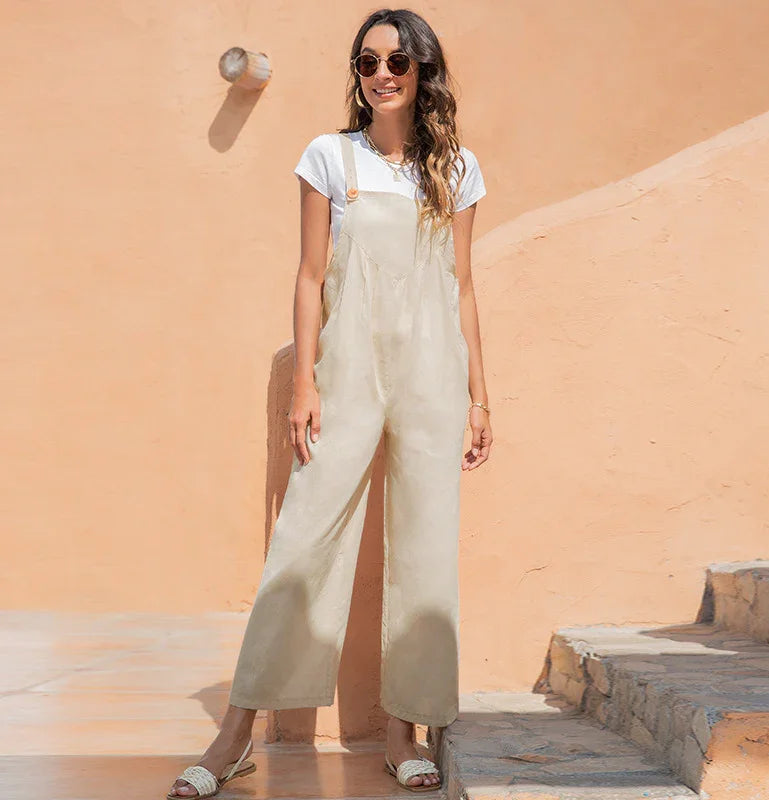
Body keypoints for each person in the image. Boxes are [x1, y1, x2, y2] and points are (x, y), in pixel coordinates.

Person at [167, 8, 492, 798]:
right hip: (347, 371)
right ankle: (235, 735)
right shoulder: (329, 156)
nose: (381, 74)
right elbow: (311, 277)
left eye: (397, 61)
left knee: (425, 550)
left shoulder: (457, 169)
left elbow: (461, 286)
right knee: (302, 543)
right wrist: (306, 382)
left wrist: (481, 396)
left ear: (422, 70)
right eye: (367, 62)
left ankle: (403, 733)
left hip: (434, 372)